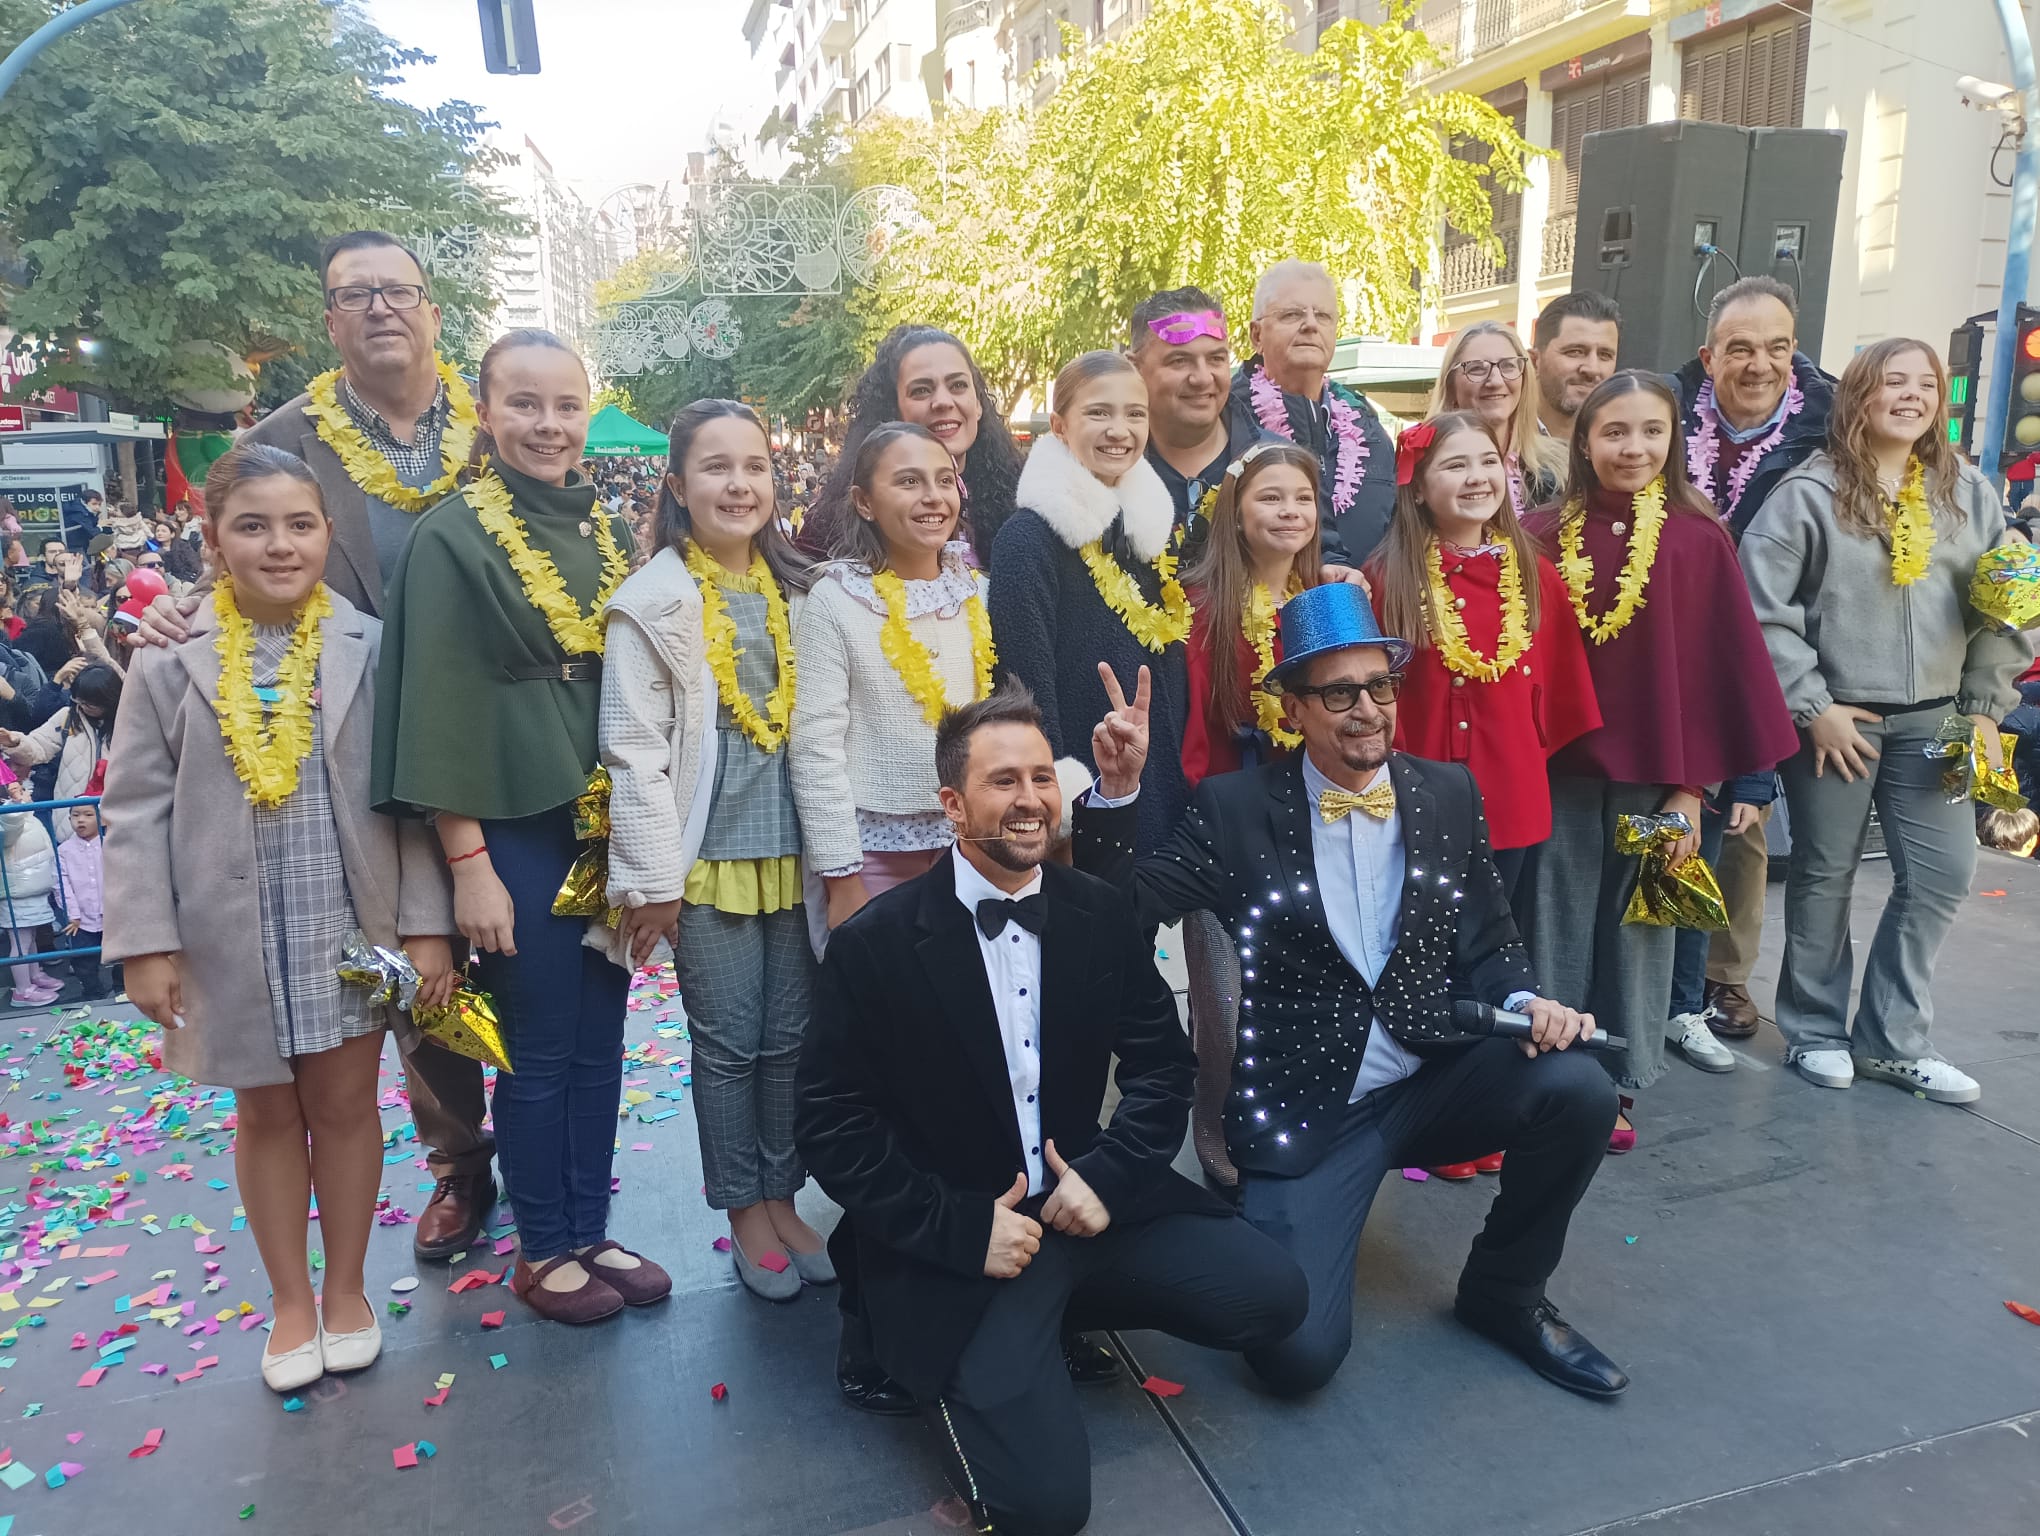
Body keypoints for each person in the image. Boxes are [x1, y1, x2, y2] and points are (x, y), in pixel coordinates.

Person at [1075, 582, 1626, 1401]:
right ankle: (1258, 1219)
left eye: (1380, 686)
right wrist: (1118, 795)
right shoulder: (1234, 809)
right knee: (1294, 1359)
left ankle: (1504, 1293)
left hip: (1432, 1075)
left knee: (1581, 1087)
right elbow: (1116, 916)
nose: (1367, 710)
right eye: (1339, 693)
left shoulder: (1447, 793)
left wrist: (1526, 1004)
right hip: (1309, 1112)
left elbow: (1492, 944)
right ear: (1294, 709)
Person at [796, 683, 1308, 1536]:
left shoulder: (1097, 913)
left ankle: (1051, 1319)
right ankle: (896, 1335)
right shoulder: (872, 947)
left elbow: (1162, 1065)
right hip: (962, 1236)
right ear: (953, 805)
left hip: (1081, 1206)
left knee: (1273, 1298)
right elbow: (831, 1125)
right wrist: (962, 1227)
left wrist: (1108, 1175)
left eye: (1040, 776)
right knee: (1044, 1510)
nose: (1029, 798)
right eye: (1003, 781)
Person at [141, 231, 497, 1261]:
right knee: (420, 975)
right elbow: (245, 547)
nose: (381, 308)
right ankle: (460, 1164)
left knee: (522, 963)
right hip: (362, 742)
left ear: (433, 311)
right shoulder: (286, 437)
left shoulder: (496, 422)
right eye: (356, 295)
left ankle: (554, 1169)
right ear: (330, 321)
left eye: (399, 291)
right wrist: (177, 608)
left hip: (500, 733)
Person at [99, 441, 460, 1393]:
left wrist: (426, 924)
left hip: (346, 924)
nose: (280, 545)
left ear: (328, 534)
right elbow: (133, 808)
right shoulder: (169, 660)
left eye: (300, 525)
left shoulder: (369, 648)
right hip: (229, 933)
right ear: (214, 539)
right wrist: (144, 941)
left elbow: (414, 798)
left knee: (344, 1107)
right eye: (253, 526)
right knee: (264, 1113)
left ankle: (346, 1291)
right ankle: (291, 1302)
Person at [374, 329, 670, 1323]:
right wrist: (469, 864)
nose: (549, 425)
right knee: (540, 1044)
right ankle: (543, 1248)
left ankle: (588, 1228)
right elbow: (437, 703)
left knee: (601, 1037)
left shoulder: (608, 529)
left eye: (566, 406)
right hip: (511, 821)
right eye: (525, 404)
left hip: (602, 818)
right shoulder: (450, 536)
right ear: (485, 412)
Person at [1739, 339, 2033, 1103]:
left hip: (1939, 721)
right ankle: (1815, 1032)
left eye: (1926, 383)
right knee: (1825, 874)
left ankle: (1894, 1041)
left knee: (1944, 873)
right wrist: (1814, 708)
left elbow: (2007, 603)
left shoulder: (1971, 494)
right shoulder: (1808, 494)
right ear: (1859, 396)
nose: (1912, 395)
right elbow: (1761, 611)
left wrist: (1983, 710)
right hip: (1838, 724)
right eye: (1892, 381)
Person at [1520, 373, 1798, 1140]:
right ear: (1584, 442)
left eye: (1652, 431)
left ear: (1674, 440)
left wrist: (1690, 790)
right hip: (1560, 777)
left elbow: (1717, 672)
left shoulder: (1698, 537)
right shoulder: (1539, 534)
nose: (1633, 447)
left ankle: (1614, 1082)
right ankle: (1551, 1075)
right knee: (1553, 923)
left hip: (1657, 783)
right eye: (1614, 431)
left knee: (1638, 933)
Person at [601, 398, 824, 1304]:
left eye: (755, 467)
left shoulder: (804, 593)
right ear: (677, 485)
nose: (739, 485)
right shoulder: (652, 602)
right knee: (729, 1043)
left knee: (791, 1040)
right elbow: (633, 749)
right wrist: (654, 881)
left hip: (797, 854)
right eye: (716, 468)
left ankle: (784, 1197)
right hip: (707, 862)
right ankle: (743, 1211)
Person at [1672, 276, 1837, 1041]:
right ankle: (1658, 970)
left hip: (1770, 638)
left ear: (1794, 351)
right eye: (1740, 348)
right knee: (1674, 808)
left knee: (1744, 816)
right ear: (1710, 357)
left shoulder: (1831, 429)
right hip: (1674, 633)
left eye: (1776, 347)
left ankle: (1725, 974)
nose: (1759, 364)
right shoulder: (1666, 412)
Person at [1367, 413, 1600, 910]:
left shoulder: (1535, 572)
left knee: (1496, 924)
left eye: (1489, 461)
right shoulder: (1388, 577)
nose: (1477, 477)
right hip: (1419, 792)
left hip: (1511, 790)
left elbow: (1560, 687)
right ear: (1418, 489)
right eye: (1455, 465)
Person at [1174, 442, 1325, 1186]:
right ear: (1236, 513)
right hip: (1229, 827)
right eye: (1270, 497)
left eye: (1302, 497)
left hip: (1315, 824)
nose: (1289, 512)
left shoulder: (1323, 601)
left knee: (1304, 989)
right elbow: (1192, 732)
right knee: (1226, 998)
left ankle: (1297, 1126)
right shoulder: (1200, 607)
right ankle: (1217, 1129)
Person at [988, 352, 1191, 855]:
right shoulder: (1027, 539)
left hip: (1157, 779)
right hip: (1086, 792)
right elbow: (1025, 679)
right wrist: (1055, 793)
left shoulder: (1145, 536)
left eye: (1135, 414)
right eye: (1099, 413)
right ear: (1060, 426)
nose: (1119, 430)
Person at [792, 422, 993, 929]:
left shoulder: (976, 593)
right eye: (908, 481)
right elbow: (816, 746)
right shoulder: (836, 600)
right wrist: (841, 876)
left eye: (944, 480)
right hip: (872, 854)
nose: (933, 497)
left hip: (968, 842)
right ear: (864, 502)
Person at [802, 326, 1024, 565]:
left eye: (958, 385)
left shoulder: (1023, 509)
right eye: (921, 391)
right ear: (892, 411)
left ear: (978, 404)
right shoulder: (830, 537)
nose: (942, 402)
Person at [1226, 261, 1397, 561]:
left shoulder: (1367, 424)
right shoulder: (1225, 417)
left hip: (1360, 591)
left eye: (1323, 315)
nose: (1310, 325)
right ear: (1256, 335)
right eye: (1292, 314)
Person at [1430, 323, 1565, 516]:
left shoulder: (1561, 469)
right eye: (1477, 368)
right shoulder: (1422, 467)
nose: (1495, 381)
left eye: (1508, 366)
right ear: (1451, 385)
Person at [0, 662, 120, 843]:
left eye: (89, 704)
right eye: (79, 701)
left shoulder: (129, 721)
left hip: (116, 820)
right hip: (72, 821)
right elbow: (39, 746)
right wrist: (15, 741)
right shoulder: (68, 716)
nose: (83, 707)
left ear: (109, 700)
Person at [1, 776, 63, 1008]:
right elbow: (8, 832)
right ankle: (22, 990)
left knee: (31, 937)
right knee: (20, 943)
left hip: (32, 886)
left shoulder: (27, 815)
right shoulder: (9, 816)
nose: (22, 793)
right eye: (14, 790)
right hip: (17, 891)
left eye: (21, 788)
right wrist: (14, 808)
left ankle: (34, 975)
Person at [1529, 292, 1622, 446]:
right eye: (1575, 352)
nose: (1592, 369)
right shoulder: (1498, 442)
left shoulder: (1625, 447)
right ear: (1534, 361)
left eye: (1604, 355)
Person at [57, 803, 113, 1001]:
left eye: (88, 814)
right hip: (80, 919)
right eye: (75, 815)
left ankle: (123, 989)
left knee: (123, 955)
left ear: (101, 818)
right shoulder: (64, 851)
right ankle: (93, 992)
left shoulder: (111, 844)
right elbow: (61, 884)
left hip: (112, 913)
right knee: (83, 960)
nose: (81, 820)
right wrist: (72, 914)